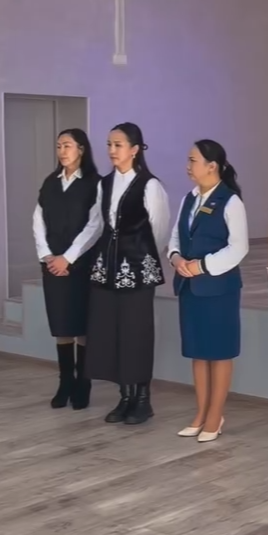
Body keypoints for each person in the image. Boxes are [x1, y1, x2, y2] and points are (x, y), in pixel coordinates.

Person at [86, 122, 170, 425]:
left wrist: (141, 256)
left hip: (137, 269)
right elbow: (97, 224)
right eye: (109, 144)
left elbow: (159, 229)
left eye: (118, 144)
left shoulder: (150, 185)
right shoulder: (105, 183)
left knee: (136, 332)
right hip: (107, 268)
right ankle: (124, 396)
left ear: (135, 149)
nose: (112, 150)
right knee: (111, 331)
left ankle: (142, 400)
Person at [168, 140, 249, 443]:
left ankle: (215, 416)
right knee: (198, 352)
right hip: (189, 287)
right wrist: (176, 258)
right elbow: (176, 237)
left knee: (219, 352)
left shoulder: (230, 201)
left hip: (218, 289)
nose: (188, 166)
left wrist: (202, 266)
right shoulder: (188, 199)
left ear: (212, 166)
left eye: (193, 160)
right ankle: (201, 413)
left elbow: (239, 248)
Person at [33, 128, 102, 410]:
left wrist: (69, 258)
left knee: (82, 324)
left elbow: (95, 225)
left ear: (81, 149)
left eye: (68, 145)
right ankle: (65, 381)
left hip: (81, 264)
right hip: (53, 264)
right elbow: (38, 220)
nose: (62, 151)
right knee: (62, 324)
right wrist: (48, 256)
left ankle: (83, 382)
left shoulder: (94, 183)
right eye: (59, 146)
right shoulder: (50, 182)